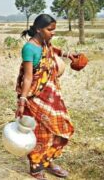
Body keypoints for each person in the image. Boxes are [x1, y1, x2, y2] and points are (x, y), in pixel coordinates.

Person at [15, 14, 79, 180]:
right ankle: (36, 167)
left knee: (61, 128)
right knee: (39, 133)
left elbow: (54, 49)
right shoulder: (29, 48)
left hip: (51, 97)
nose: (53, 33)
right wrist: (22, 100)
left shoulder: (45, 43)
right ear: (38, 29)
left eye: (54, 30)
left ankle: (48, 160)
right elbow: (28, 77)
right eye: (50, 29)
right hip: (34, 98)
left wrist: (69, 55)